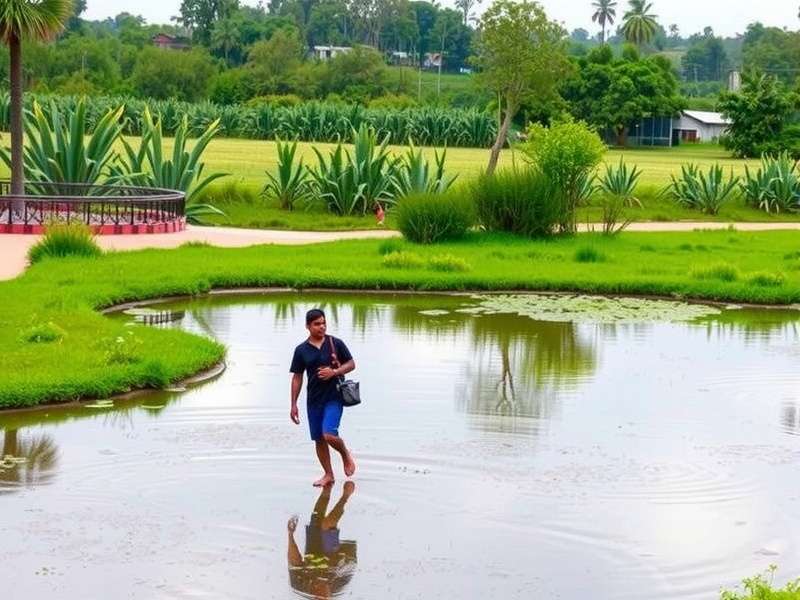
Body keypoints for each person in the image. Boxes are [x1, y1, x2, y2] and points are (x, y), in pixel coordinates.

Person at [290, 308, 357, 487]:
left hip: (334, 396)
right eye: (317, 324)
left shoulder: (336, 343)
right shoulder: (301, 350)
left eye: (323, 323)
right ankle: (328, 474)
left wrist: (334, 371)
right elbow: (297, 377)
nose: (322, 327)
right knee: (319, 438)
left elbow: (351, 364)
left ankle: (345, 454)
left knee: (329, 434)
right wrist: (293, 404)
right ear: (308, 326)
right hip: (313, 400)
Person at [287, 482, 357, 599]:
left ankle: (327, 489)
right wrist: (333, 558)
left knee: (316, 519)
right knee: (326, 525)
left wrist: (290, 534)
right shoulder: (337, 582)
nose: (319, 590)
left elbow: (294, 561)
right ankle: (345, 496)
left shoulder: (299, 585)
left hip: (315, 558)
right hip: (340, 557)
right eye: (323, 594)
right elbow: (348, 563)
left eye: (317, 593)